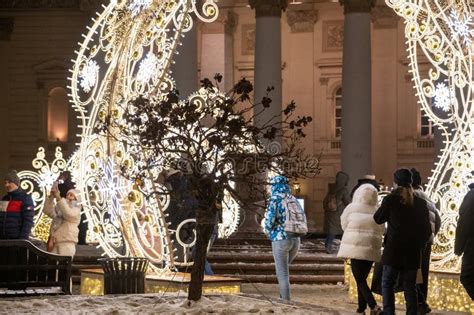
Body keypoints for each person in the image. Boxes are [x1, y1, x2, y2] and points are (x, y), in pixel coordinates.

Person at [374, 168, 431, 315]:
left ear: (395, 183)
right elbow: (426, 230)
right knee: (410, 287)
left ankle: (389, 313)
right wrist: (420, 246)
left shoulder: (391, 200)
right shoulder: (420, 202)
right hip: (412, 252)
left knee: (387, 284)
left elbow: (378, 218)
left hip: (393, 250)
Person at [337, 184, 384, 314]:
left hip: (355, 247)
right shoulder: (377, 209)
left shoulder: (351, 208)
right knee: (362, 279)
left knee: (359, 279)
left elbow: (343, 224)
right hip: (371, 248)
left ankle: (373, 306)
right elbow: (382, 229)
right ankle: (361, 309)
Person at [263, 175, 302, 302]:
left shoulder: (275, 199)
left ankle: (285, 302)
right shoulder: (293, 199)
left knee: (283, 274)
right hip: (295, 239)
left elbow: (269, 221)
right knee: (284, 271)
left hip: (280, 239)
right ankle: (283, 298)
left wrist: (268, 232)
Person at [411, 168, 441, 312]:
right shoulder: (428, 198)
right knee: (423, 272)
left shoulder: (412, 197)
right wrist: (431, 235)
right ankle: (423, 302)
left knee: (413, 272)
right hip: (427, 241)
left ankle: (419, 302)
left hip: (415, 241)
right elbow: (438, 221)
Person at [43, 186, 81, 257]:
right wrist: (51, 197)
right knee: (53, 266)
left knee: (64, 265)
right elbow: (48, 211)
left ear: (77, 199)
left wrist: (58, 198)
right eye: (67, 194)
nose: (68, 197)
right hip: (54, 242)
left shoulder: (76, 211)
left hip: (66, 243)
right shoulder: (60, 210)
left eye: (71, 195)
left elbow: (68, 213)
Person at [0, 170, 35, 240]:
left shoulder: (25, 198)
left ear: (16, 183)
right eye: (5, 183)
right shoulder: (4, 199)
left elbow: (28, 221)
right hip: (3, 240)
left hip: (16, 240)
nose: (7, 185)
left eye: (10, 182)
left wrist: (22, 240)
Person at [454, 182, 474, 300]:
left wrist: (458, 248)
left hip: (472, 245)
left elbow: (464, 223)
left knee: (467, 277)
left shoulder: (471, 196)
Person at [323, 171, 350, 254]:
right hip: (339, 215)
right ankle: (345, 247)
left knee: (331, 232)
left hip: (329, 214)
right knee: (344, 231)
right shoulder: (343, 190)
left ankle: (328, 246)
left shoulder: (331, 189)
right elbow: (348, 202)